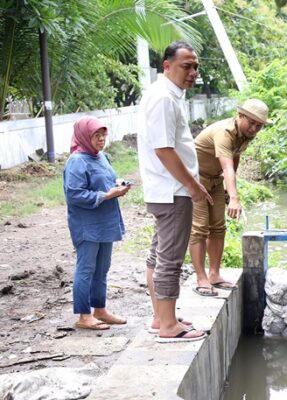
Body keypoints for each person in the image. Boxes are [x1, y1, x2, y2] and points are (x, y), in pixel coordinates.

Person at [137, 41, 212, 343]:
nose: (192, 72)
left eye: (195, 66)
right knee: (169, 258)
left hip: (165, 189)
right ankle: (168, 326)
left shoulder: (166, 95)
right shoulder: (164, 99)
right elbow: (165, 150)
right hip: (173, 191)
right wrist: (193, 187)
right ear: (167, 66)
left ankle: (161, 316)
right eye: (186, 66)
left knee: (158, 256)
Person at [189, 99, 270, 296]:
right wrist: (234, 198)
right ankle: (201, 278)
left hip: (215, 180)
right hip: (195, 180)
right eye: (251, 123)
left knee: (218, 227)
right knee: (199, 228)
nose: (254, 128)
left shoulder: (244, 135)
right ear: (240, 116)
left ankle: (214, 274)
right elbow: (227, 166)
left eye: (259, 126)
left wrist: (227, 188)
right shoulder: (224, 132)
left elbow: (235, 158)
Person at [63, 116, 130, 330]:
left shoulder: (101, 157)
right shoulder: (76, 161)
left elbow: (108, 179)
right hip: (87, 225)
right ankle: (83, 315)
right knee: (86, 269)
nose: (101, 139)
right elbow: (74, 194)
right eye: (96, 136)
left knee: (102, 268)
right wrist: (106, 196)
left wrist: (119, 184)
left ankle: (99, 310)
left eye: (104, 135)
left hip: (105, 223)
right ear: (84, 136)